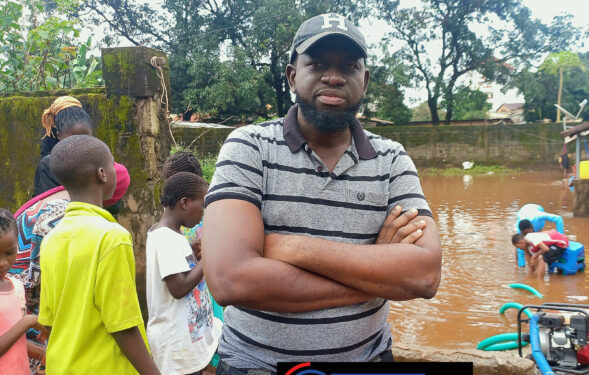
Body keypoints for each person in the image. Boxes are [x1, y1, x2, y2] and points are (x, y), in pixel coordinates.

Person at [201, 13, 441, 374]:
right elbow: (230, 280)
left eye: (349, 65)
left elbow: (424, 275)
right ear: (292, 75)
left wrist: (290, 247)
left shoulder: (392, 159)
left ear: (365, 79)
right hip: (256, 366)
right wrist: (376, 271)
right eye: (317, 64)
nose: (334, 76)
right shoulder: (249, 147)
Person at [38, 135, 159, 374]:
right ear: (102, 174)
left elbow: (48, 321)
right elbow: (123, 325)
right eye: (113, 164)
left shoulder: (51, 238)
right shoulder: (111, 237)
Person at [146, 172, 221, 374]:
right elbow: (178, 287)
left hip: (184, 341)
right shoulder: (165, 238)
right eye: (202, 206)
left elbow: (177, 269)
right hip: (176, 345)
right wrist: (207, 260)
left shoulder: (173, 234)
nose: (203, 214)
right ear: (185, 202)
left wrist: (192, 253)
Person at [0, 208, 46, 375]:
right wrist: (27, 322)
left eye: (10, 253)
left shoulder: (17, 287)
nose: (3, 263)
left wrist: (42, 354)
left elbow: (13, 338)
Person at [34, 96, 94, 196]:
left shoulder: (98, 158)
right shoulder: (49, 165)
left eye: (85, 139)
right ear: (59, 136)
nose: (80, 145)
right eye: (72, 141)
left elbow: (114, 204)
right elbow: (51, 204)